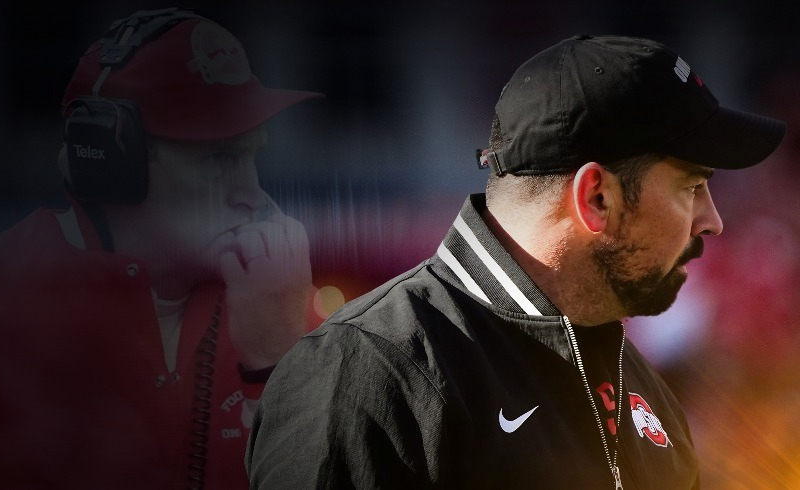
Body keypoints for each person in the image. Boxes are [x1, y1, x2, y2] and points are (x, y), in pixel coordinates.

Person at [246, 34, 786, 489]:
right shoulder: (365, 370)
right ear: (597, 198)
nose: (712, 221)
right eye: (691, 187)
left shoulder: (636, 380)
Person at [0, 8, 320, 490]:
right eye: (219, 159)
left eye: (252, 155)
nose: (253, 192)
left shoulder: (283, 308)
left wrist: (278, 367)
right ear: (109, 163)